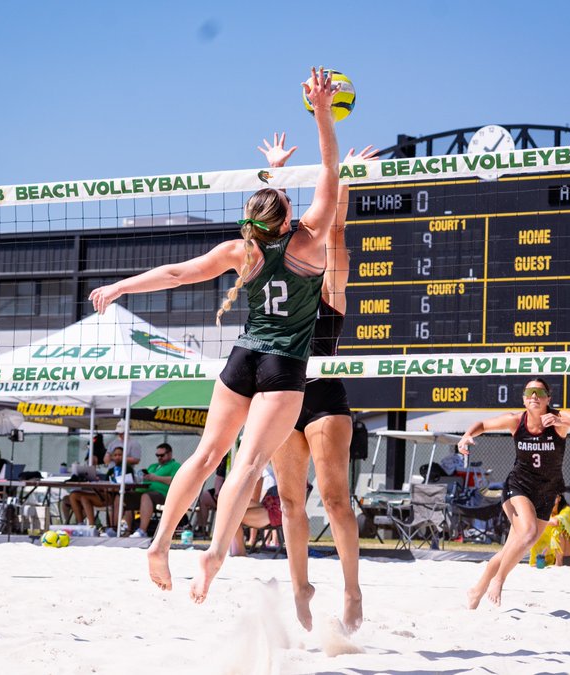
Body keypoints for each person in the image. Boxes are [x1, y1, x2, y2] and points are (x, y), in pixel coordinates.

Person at [90, 67, 340, 602]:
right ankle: (213, 554)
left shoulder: (240, 250)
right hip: (283, 367)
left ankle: (159, 544)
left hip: (243, 358)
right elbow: (331, 169)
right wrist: (321, 111)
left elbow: (175, 273)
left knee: (205, 456)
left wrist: (119, 286)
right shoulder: (312, 242)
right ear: (287, 215)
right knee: (247, 465)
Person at [260, 133, 376, 633]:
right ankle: (301, 585)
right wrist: (275, 174)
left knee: (333, 498)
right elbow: (265, 231)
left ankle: (351, 587)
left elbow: (336, 231)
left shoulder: (330, 291)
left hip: (324, 398)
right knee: (288, 502)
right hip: (282, 396)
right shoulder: (279, 284)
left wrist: (341, 180)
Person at [457, 378, 570, 609]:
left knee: (513, 547)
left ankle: (476, 591)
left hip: (547, 491)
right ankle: (499, 581)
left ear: (548, 398)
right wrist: (466, 436)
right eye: (529, 392)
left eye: (539, 392)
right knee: (530, 533)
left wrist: (560, 418)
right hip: (519, 487)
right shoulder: (516, 421)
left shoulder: (559, 419)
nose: (534, 396)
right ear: (524, 399)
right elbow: (482, 424)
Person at [128, 443, 182, 538]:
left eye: (162, 455)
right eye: (157, 455)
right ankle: (123, 529)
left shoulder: (175, 465)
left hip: (164, 495)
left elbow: (175, 480)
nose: (159, 458)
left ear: (170, 454)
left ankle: (142, 530)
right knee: (123, 497)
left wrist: (155, 478)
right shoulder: (153, 466)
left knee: (146, 496)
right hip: (143, 491)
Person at [529, 494, 570, 567]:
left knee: (557, 529)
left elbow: (556, 522)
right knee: (538, 529)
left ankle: (558, 563)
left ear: (559, 498)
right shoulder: (547, 512)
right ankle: (539, 559)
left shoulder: (567, 509)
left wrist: (537, 519)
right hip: (553, 550)